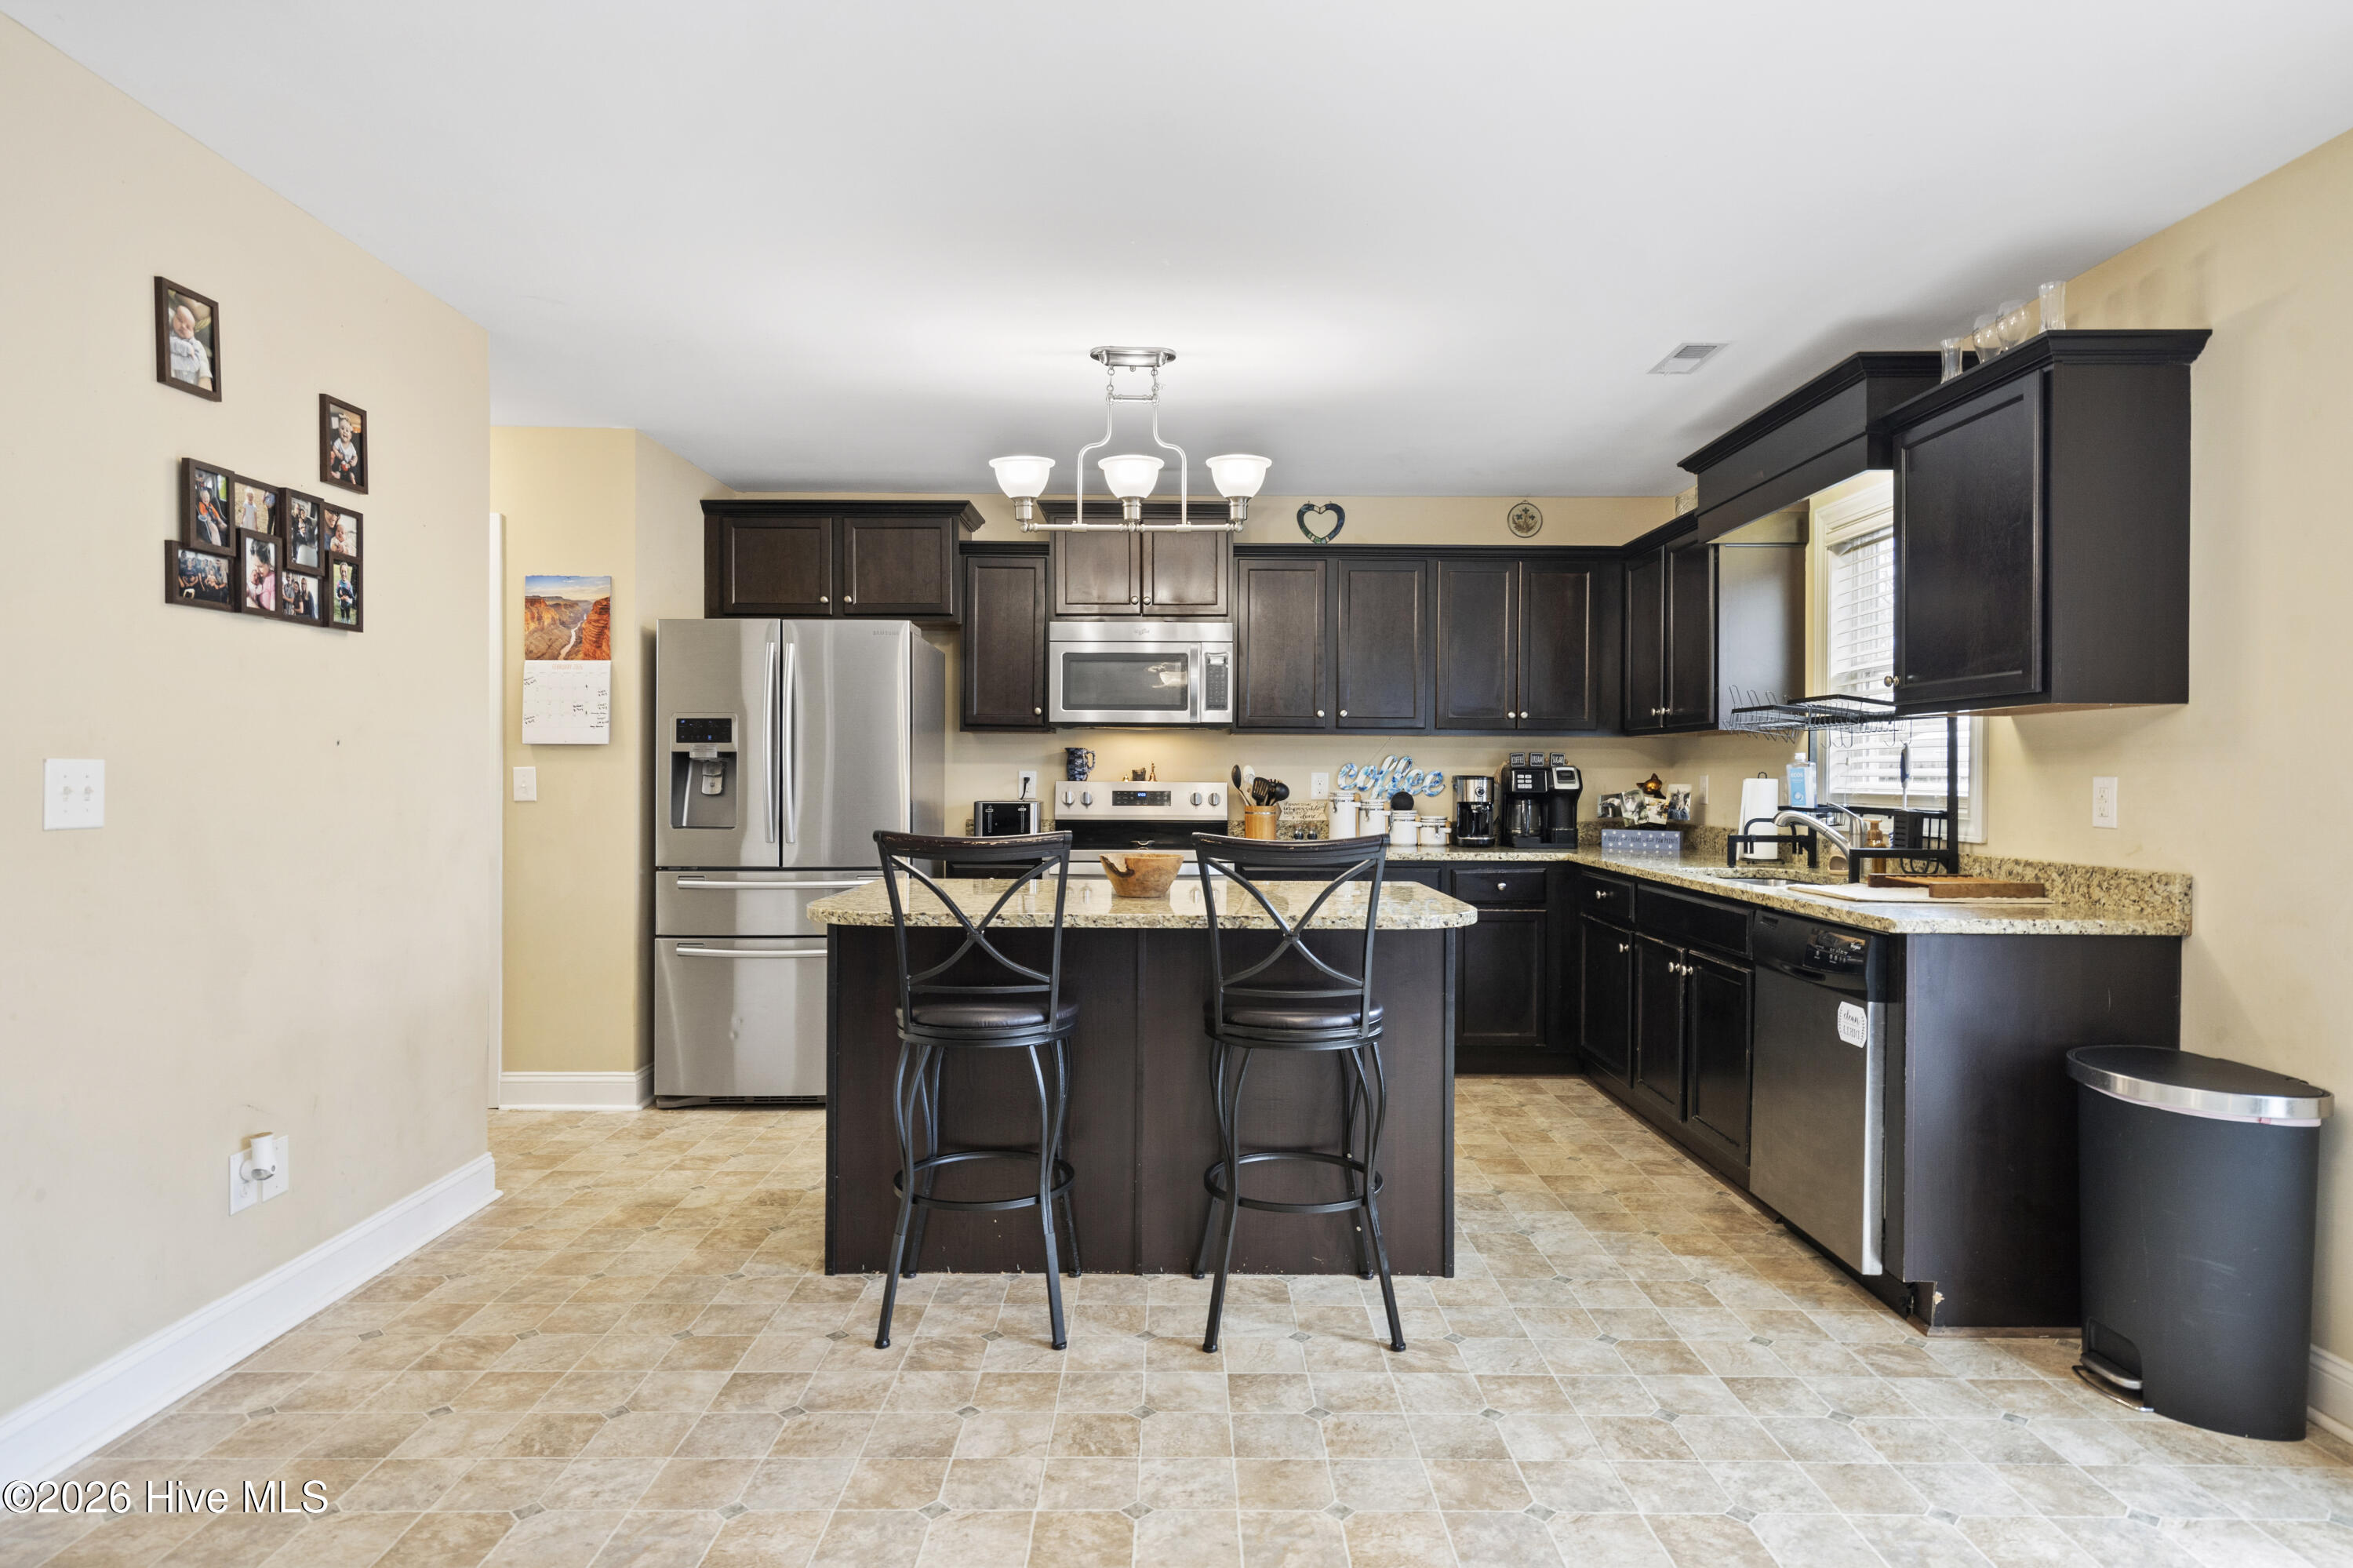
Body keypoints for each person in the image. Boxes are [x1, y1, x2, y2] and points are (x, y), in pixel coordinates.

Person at [165, 300, 212, 391]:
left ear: (193, 333)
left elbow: (195, 364)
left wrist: (172, 359)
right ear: (174, 316)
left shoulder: (195, 344)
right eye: (179, 320)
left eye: (188, 327)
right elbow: (169, 344)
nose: (183, 326)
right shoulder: (171, 336)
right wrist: (185, 348)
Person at [328, 413, 360, 484]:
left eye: (347, 431)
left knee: (354, 468)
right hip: (341, 462)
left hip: (349, 463)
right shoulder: (339, 441)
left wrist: (354, 462)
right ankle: (337, 474)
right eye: (342, 429)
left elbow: (355, 456)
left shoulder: (351, 445)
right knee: (337, 465)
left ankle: (352, 476)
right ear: (339, 431)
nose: (344, 432)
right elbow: (334, 448)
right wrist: (338, 454)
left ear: (351, 436)